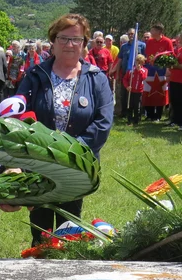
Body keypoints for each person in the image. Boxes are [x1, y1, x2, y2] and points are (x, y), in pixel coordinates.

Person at [17, 13, 113, 245]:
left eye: (76, 39)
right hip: (40, 163)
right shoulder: (35, 76)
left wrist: (70, 152)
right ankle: (37, 265)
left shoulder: (96, 78)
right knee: (40, 227)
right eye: (63, 38)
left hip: (77, 166)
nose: (70, 45)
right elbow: (18, 116)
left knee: (68, 227)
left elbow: (103, 122)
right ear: (53, 40)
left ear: (84, 44)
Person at [143, 23, 174, 121]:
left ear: (159, 31)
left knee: (160, 92)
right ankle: (150, 114)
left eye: (153, 30)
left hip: (162, 70)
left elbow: (171, 55)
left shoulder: (167, 41)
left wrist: (166, 68)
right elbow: (147, 55)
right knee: (148, 91)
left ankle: (158, 115)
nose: (151, 32)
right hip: (150, 69)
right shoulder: (150, 41)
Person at [123, 54, 147, 126]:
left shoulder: (144, 70)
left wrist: (139, 70)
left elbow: (144, 78)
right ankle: (129, 120)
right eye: (137, 62)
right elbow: (125, 79)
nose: (138, 64)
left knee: (137, 106)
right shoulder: (131, 71)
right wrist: (127, 86)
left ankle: (136, 120)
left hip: (139, 91)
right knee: (130, 106)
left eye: (140, 62)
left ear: (143, 63)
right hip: (131, 91)